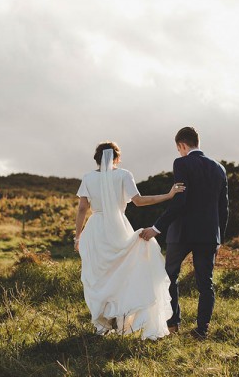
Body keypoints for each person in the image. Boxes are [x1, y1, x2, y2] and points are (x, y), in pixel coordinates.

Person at [74, 141, 185, 340]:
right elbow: (139, 201)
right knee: (121, 272)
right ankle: (119, 318)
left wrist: (78, 235)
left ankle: (103, 323)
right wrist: (168, 195)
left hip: (95, 229)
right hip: (118, 227)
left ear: (97, 159)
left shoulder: (88, 178)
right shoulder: (124, 174)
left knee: (99, 276)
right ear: (117, 158)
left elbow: (82, 209)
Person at [140, 127, 229, 340]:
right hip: (209, 235)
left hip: (182, 233)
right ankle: (202, 330)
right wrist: (220, 239)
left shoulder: (181, 163)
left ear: (182, 145)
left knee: (169, 276)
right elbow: (223, 208)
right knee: (205, 284)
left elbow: (180, 201)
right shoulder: (219, 168)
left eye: (178, 149)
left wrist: (156, 228)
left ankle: (173, 324)